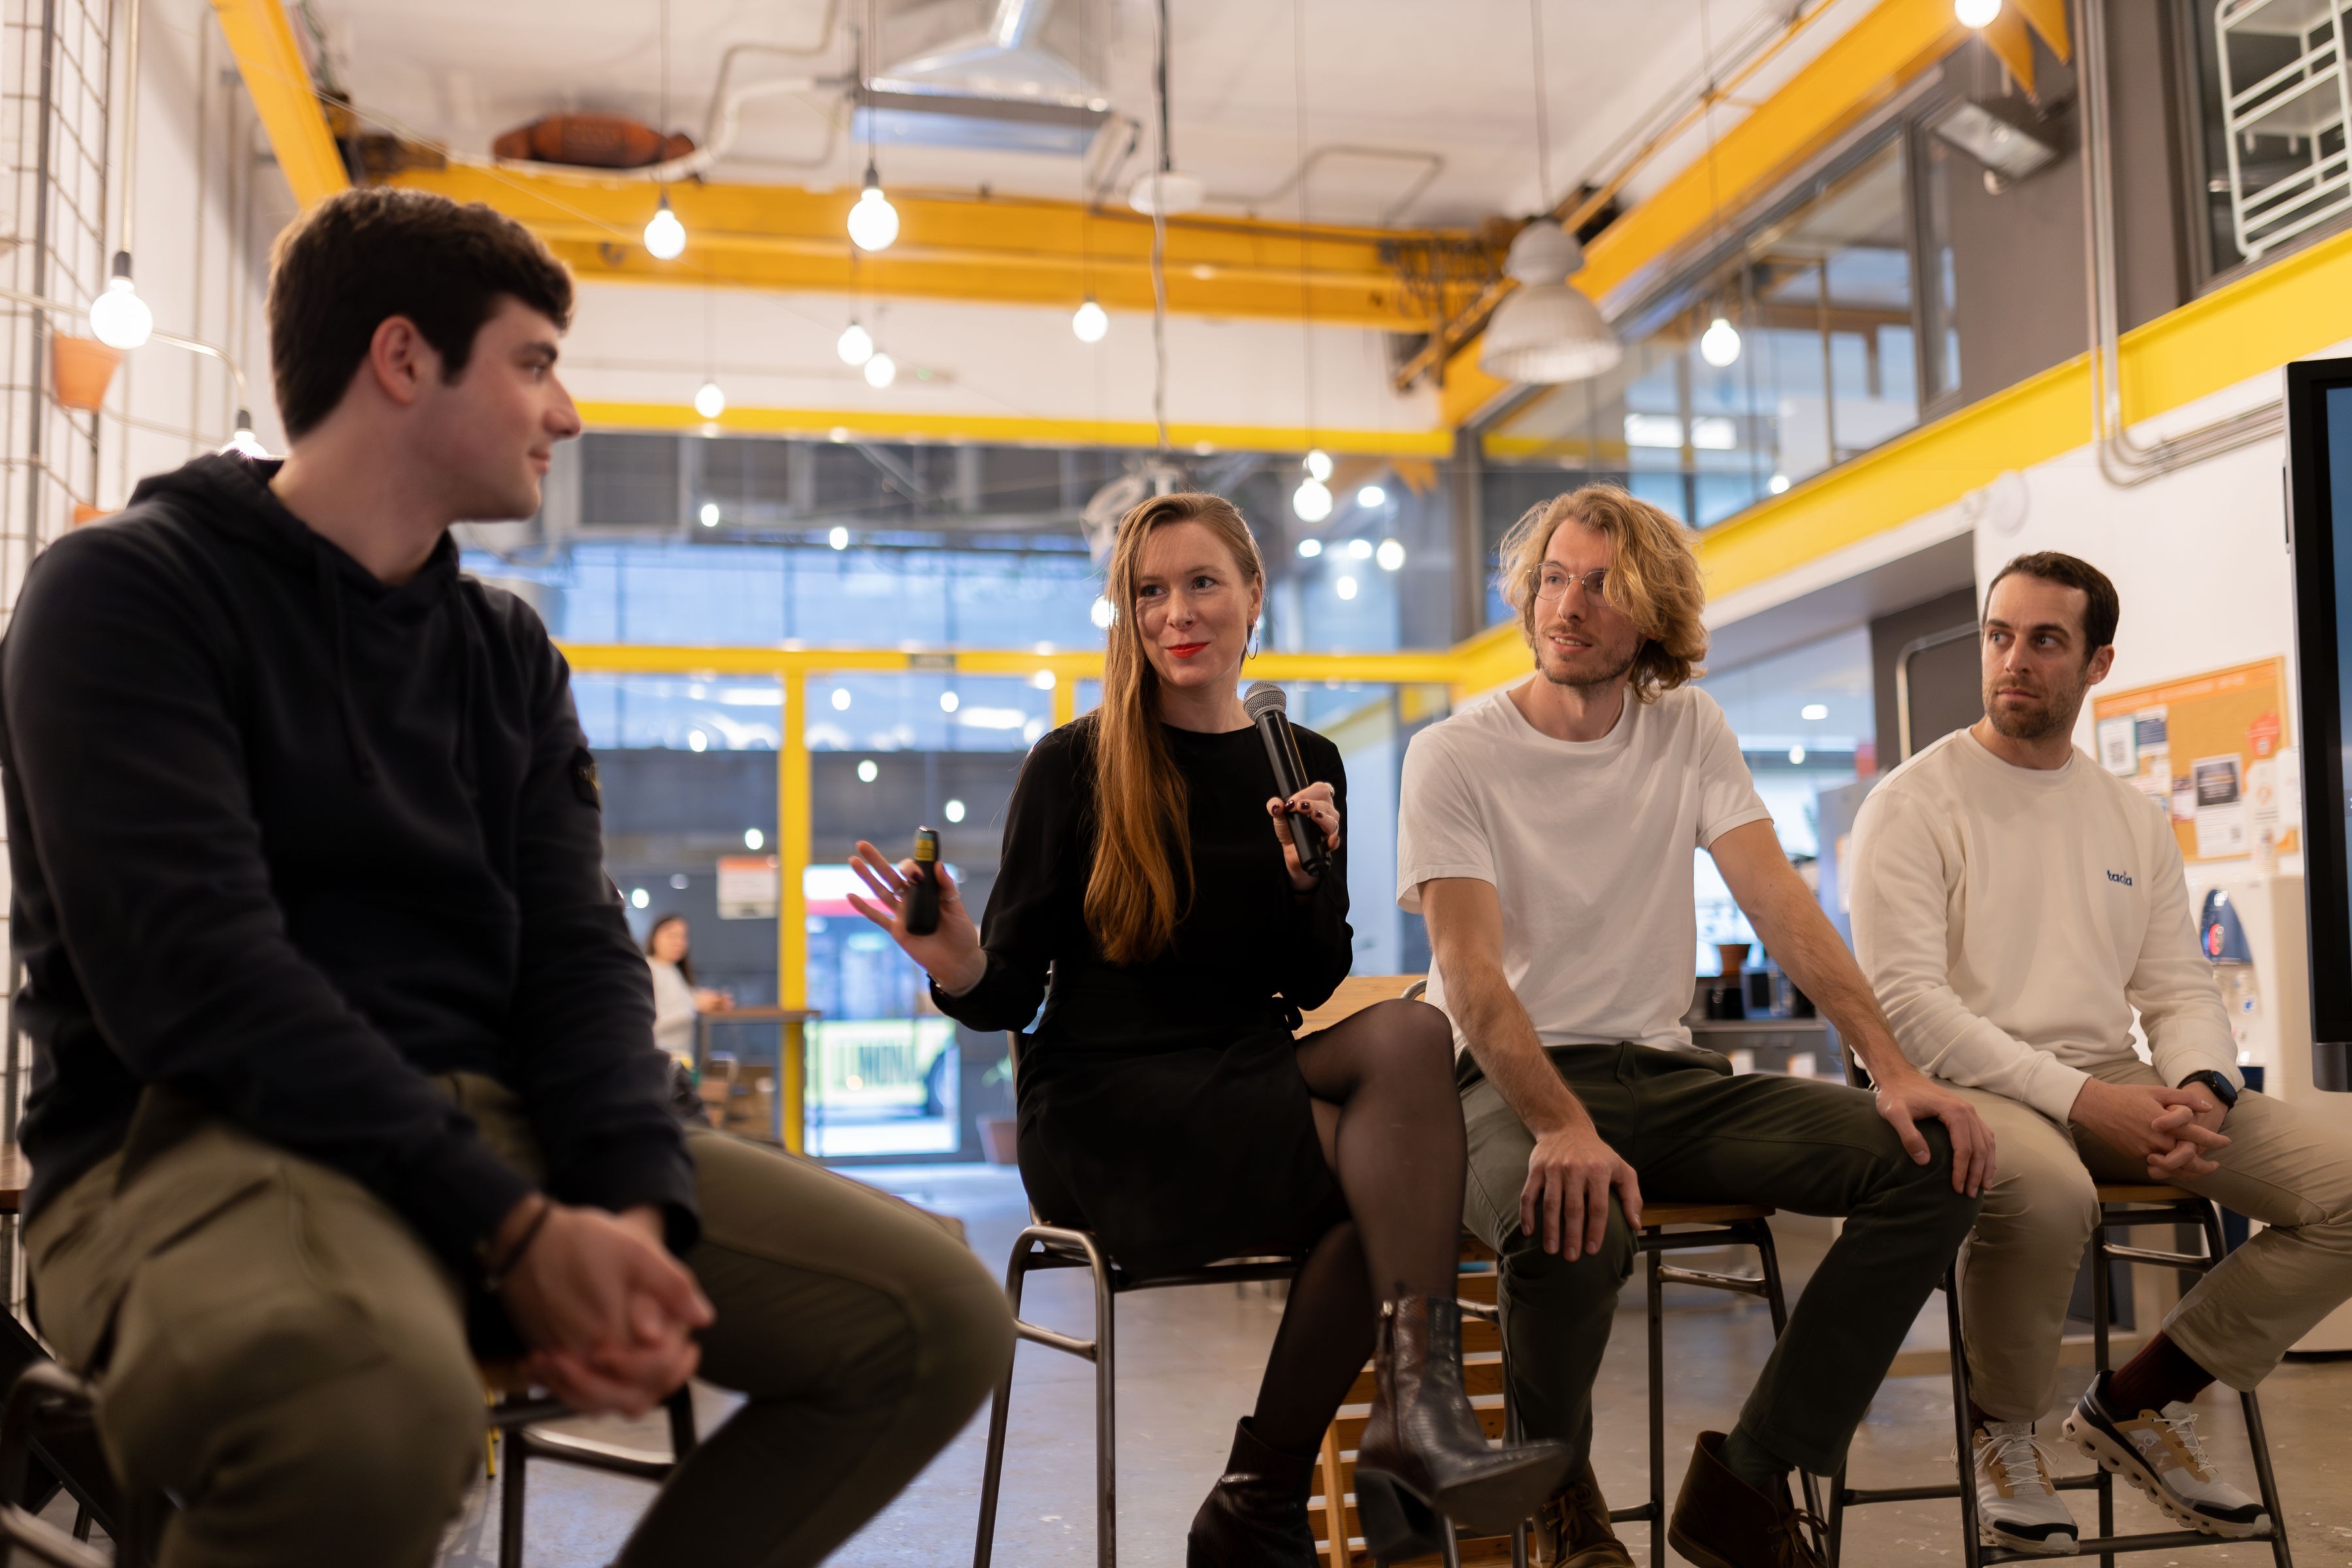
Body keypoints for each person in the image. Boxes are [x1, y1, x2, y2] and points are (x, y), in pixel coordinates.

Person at [0, 186, 1011, 1568]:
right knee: (368, 1412)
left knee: (933, 1320)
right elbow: (196, 978)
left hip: (492, 1131)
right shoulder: (125, 593)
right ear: (405, 360)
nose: (568, 410)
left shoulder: (506, 654)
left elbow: (578, 957)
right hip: (191, 1138)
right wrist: (514, 1227)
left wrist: (633, 1208)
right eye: (536, 362)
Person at [846, 491, 1569, 1567]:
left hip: (1245, 1076)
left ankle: (1312, 1470)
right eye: (1150, 591)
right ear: (1126, 614)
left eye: (1201, 585)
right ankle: (1309, 1476)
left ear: (1252, 599)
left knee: (1413, 1037)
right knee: (1394, 1194)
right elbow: (1007, 997)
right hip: (1105, 1110)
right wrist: (952, 954)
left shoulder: (1299, 758)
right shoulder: (1076, 764)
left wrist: (1307, 878)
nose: (1176, 612)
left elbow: (1316, 975)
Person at [1398, 485, 1991, 1568]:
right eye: (1555, 579)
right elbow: (1470, 974)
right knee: (1574, 1212)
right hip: (1507, 1085)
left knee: (1938, 1156)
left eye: (1602, 587)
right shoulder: (1457, 752)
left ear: (1654, 617)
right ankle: (1556, 1486)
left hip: (1668, 1076)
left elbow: (1782, 907)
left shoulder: (1688, 730)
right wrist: (1562, 1124)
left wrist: (1893, 1066)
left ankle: (1750, 1480)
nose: (1567, 606)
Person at [1848, 551, 2352, 1554]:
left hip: (2103, 1075)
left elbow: (2175, 986)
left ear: (2097, 662)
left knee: (2345, 1188)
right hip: (1959, 1084)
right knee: (2049, 1193)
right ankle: (2002, 1433)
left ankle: (2139, 1400)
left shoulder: (2129, 814)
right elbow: (1909, 1009)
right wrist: (2085, 1102)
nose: (2015, 660)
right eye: (2001, 636)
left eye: (2045, 641)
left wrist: (2202, 1088)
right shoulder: (1914, 801)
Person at [646, 912, 731, 1068]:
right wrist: (693, 1006)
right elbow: (650, 1023)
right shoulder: (649, 969)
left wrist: (714, 1001)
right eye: (672, 935)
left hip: (681, 1062)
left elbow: (686, 1000)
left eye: (683, 936)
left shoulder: (675, 971)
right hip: (659, 1062)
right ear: (654, 937)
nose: (678, 942)